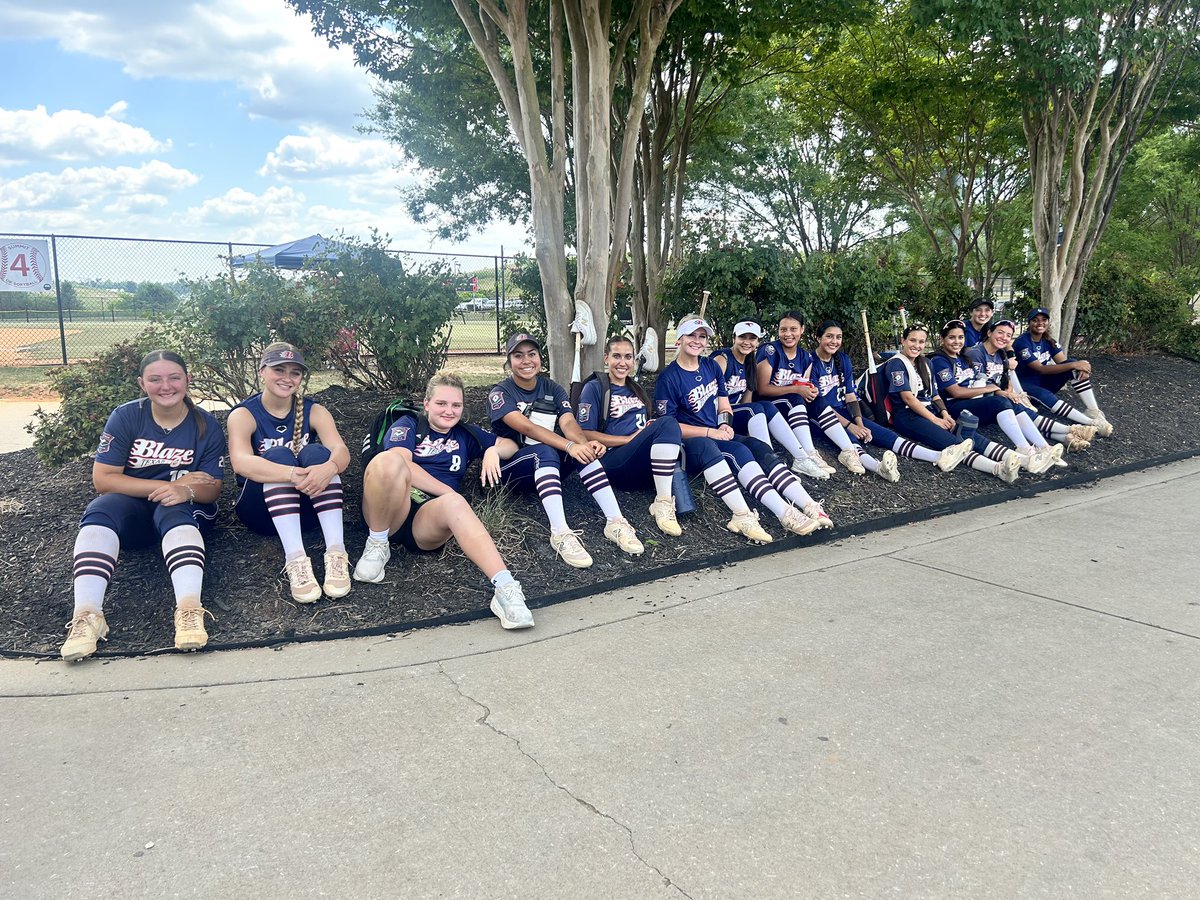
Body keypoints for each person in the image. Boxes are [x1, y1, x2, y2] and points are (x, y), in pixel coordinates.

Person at [60, 350, 227, 662]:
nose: (166, 386)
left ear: (187, 380)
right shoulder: (126, 416)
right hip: (134, 511)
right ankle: (87, 615)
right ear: (141, 383)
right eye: (155, 379)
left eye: (174, 377)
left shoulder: (206, 425)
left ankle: (189, 609)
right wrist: (170, 485)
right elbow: (104, 480)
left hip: (183, 512)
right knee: (101, 508)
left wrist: (184, 490)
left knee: (174, 507)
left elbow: (212, 488)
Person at [353, 371, 534, 630]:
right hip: (391, 509)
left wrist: (492, 450)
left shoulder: (465, 434)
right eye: (441, 403)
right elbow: (401, 463)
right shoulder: (408, 424)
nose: (449, 411)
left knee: (455, 505)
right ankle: (377, 544)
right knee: (387, 460)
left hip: (428, 519)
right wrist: (448, 491)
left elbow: (510, 445)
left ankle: (506, 588)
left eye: (456, 405)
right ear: (426, 404)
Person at [654, 316, 824, 540]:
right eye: (691, 335)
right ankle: (783, 513)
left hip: (716, 432)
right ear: (679, 339)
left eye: (702, 336)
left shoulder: (710, 366)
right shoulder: (668, 378)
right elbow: (667, 428)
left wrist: (725, 423)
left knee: (759, 447)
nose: (697, 341)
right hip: (692, 444)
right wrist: (711, 432)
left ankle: (809, 504)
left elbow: (724, 403)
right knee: (740, 452)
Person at [487, 332, 644, 569]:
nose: (526, 360)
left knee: (581, 451)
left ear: (540, 358)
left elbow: (568, 422)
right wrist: (570, 446)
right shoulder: (500, 393)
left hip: (547, 470)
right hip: (513, 469)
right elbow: (528, 428)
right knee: (546, 450)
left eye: (532, 354)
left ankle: (615, 521)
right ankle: (560, 533)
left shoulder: (552, 387)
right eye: (518, 356)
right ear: (509, 361)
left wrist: (583, 443)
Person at [227, 342, 351, 604]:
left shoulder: (314, 410)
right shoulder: (244, 414)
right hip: (261, 514)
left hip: (309, 511)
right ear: (262, 371)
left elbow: (341, 451)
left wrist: (328, 468)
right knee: (278, 456)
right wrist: (291, 474)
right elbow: (240, 463)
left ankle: (337, 553)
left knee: (318, 454)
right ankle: (296, 560)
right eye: (279, 370)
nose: (287, 378)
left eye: (295, 372)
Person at [575, 335, 685, 536]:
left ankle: (665, 499)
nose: (622, 362)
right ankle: (663, 502)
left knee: (670, 427)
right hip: (613, 460)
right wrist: (629, 439)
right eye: (616, 356)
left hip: (639, 462)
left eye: (628, 357)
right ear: (606, 358)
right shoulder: (595, 387)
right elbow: (585, 432)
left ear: (634, 360)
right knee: (668, 422)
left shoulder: (636, 389)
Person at [885, 324, 1022, 482]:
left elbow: (935, 395)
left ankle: (1019, 459)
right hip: (907, 415)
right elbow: (908, 398)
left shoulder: (925, 362)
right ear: (903, 340)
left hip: (930, 410)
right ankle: (997, 469)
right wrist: (935, 419)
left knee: (968, 435)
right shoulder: (897, 363)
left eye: (921, 342)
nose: (917, 345)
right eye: (912, 340)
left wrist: (944, 414)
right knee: (955, 444)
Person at [930, 320, 1062, 472]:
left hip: (973, 401)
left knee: (1010, 401)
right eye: (951, 337)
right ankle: (1025, 449)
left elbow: (979, 382)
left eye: (960, 337)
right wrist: (991, 388)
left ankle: (1043, 447)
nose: (957, 341)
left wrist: (1000, 391)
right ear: (943, 339)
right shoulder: (939, 360)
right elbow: (955, 392)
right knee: (1000, 403)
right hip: (954, 407)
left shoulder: (962, 357)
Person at [711, 320, 829, 480]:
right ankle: (770, 463)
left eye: (752, 338)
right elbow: (709, 398)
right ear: (734, 338)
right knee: (755, 409)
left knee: (764, 407)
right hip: (715, 417)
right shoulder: (722, 359)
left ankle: (801, 458)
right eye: (742, 337)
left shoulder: (750, 363)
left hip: (732, 415)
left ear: (758, 342)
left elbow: (746, 402)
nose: (747, 342)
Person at [964, 319, 1074, 463]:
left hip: (990, 400)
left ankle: (1044, 447)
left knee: (1016, 405)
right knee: (1006, 403)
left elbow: (1005, 379)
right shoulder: (976, 353)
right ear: (989, 333)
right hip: (972, 404)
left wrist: (1010, 392)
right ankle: (1028, 448)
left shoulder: (1000, 354)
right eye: (1000, 332)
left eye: (1008, 335)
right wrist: (1002, 393)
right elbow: (978, 385)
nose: (1004, 337)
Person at [752, 310, 844, 476]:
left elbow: (803, 386)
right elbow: (762, 389)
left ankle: (848, 451)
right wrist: (796, 389)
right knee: (794, 397)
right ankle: (807, 454)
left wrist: (810, 390)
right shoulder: (770, 350)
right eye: (783, 329)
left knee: (817, 400)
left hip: (791, 408)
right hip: (767, 405)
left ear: (802, 330)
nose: (788, 334)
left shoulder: (805, 357)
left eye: (793, 329)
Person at [1013, 307, 1113, 437]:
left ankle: (1093, 411)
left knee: (1073, 366)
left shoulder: (1048, 340)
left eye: (1044, 320)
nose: (1040, 323)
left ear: (1048, 322)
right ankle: (1091, 423)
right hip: (1024, 387)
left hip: (1042, 381)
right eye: (1035, 320)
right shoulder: (1022, 342)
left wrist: (1081, 367)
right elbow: (1040, 368)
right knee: (1047, 393)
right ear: (1029, 323)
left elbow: (1065, 363)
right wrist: (1075, 364)